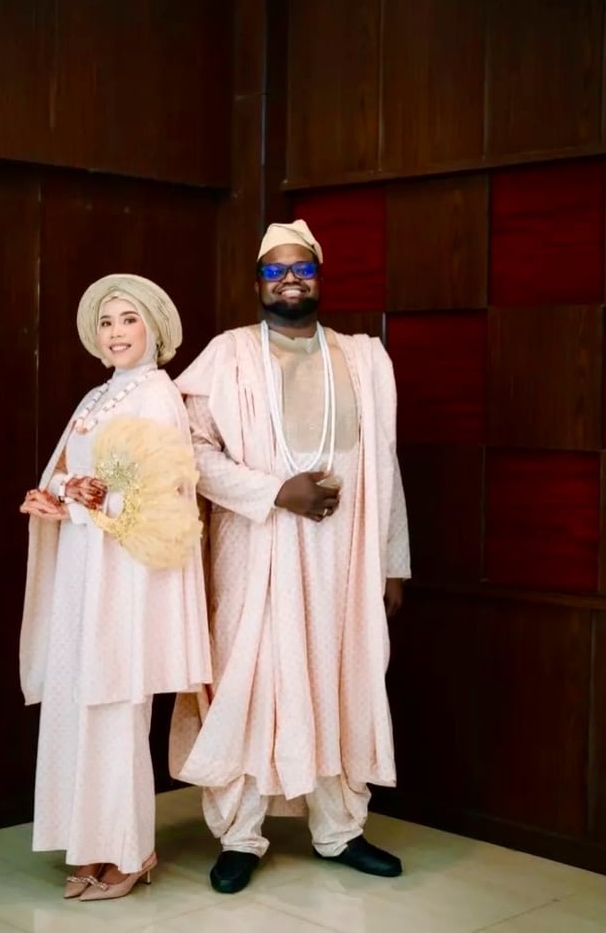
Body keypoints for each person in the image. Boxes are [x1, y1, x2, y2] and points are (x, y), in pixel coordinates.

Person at [169, 220, 410, 894]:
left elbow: (384, 463)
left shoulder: (363, 359)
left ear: (319, 277)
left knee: (342, 681)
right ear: (258, 283)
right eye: (275, 270)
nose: (290, 279)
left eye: (301, 267)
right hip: (256, 550)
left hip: (343, 558)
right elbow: (192, 453)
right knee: (250, 685)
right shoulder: (227, 355)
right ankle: (240, 836)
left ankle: (340, 830)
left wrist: (393, 560)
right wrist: (276, 492)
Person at [19, 274, 211, 902]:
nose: (116, 332)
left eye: (129, 319)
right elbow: (69, 472)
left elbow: (166, 495)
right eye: (106, 322)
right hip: (85, 567)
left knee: (116, 706)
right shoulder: (97, 395)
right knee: (79, 701)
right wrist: (59, 494)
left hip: (125, 576)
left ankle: (131, 849)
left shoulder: (157, 394)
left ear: (153, 327)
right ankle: (91, 846)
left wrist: (86, 501)